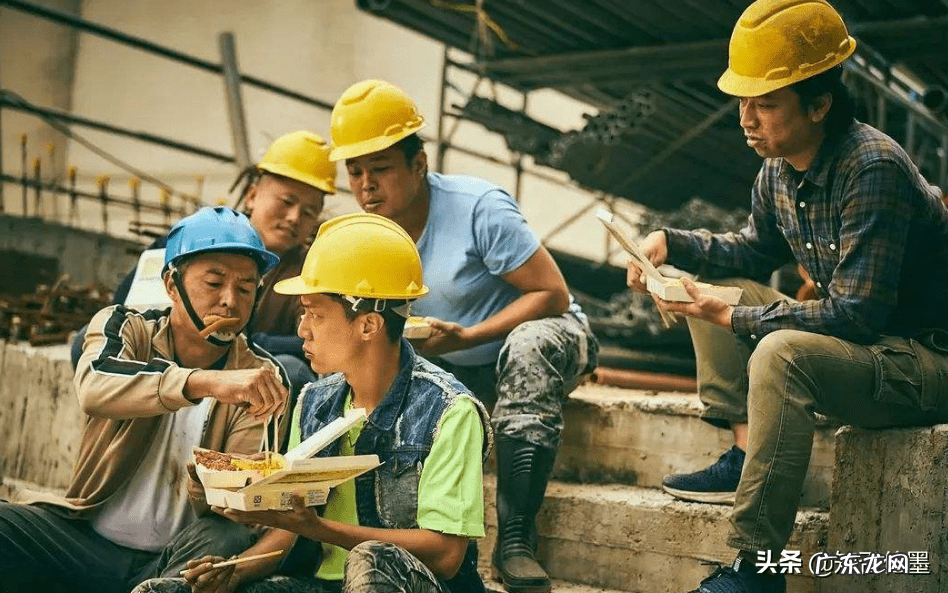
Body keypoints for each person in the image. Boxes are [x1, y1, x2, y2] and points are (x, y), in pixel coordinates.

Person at [626, 1, 948, 591]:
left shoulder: (872, 167)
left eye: (766, 103)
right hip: (870, 349)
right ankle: (745, 456)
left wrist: (734, 313)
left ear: (820, 104)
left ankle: (755, 570)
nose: (746, 118)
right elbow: (751, 252)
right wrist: (669, 245)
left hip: (924, 361)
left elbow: (857, 313)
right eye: (742, 101)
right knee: (701, 288)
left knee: (777, 350)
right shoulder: (778, 169)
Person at [327, 79, 599, 593]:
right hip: (453, 360)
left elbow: (552, 294)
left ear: (419, 164)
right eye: (355, 171)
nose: (366, 185)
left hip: (540, 338)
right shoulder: (368, 235)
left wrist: (469, 335)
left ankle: (516, 539)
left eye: (381, 168)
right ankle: (442, 544)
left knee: (530, 347)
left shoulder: (478, 208)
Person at [132, 212, 492, 593]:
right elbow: (287, 534)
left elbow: (446, 554)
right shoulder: (315, 400)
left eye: (315, 314)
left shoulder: (449, 411)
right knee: (165, 591)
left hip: (408, 585)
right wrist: (234, 572)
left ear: (368, 325)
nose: (301, 328)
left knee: (372, 561)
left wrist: (317, 529)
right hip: (321, 586)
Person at [0, 206, 290, 593]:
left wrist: (226, 482)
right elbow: (94, 386)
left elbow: (235, 505)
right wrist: (205, 383)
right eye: (214, 283)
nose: (229, 302)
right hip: (85, 542)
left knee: (225, 539)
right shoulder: (126, 327)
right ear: (172, 285)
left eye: (245, 288)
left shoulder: (261, 377)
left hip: (175, 559)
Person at [72, 130, 336, 398]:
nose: (294, 217)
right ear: (253, 195)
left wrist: (247, 340)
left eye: (308, 212)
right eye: (287, 201)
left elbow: (312, 338)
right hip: (166, 366)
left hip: (242, 381)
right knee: (87, 340)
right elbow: (122, 306)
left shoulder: (308, 273)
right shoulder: (196, 239)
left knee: (290, 371)